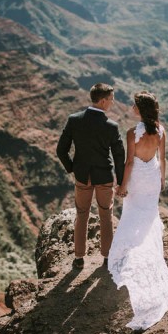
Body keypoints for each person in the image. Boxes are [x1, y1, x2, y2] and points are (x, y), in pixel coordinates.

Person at [107, 91, 168, 330]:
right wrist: (162, 179)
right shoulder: (161, 130)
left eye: (134, 105)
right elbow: (163, 158)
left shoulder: (131, 133)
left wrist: (123, 186)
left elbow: (129, 162)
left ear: (140, 109)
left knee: (131, 215)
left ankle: (130, 252)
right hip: (152, 178)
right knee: (148, 217)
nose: (131, 107)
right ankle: (147, 251)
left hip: (137, 178)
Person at [56, 83, 125, 269]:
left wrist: (72, 168)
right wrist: (121, 181)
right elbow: (119, 156)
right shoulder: (111, 126)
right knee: (106, 215)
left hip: (82, 176)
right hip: (104, 177)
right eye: (111, 99)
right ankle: (107, 258)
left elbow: (61, 150)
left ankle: (79, 258)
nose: (112, 102)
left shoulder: (74, 120)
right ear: (102, 101)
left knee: (81, 214)